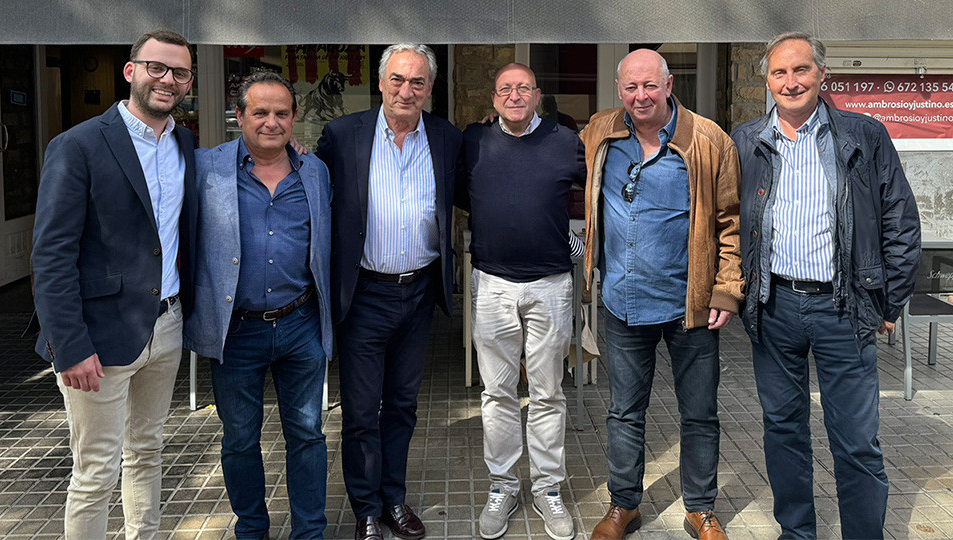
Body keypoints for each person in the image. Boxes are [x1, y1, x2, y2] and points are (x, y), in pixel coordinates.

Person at [731, 32, 921, 540]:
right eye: (779, 73)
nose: (790, 82)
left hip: (845, 307)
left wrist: (890, 301)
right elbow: (728, 223)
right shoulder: (746, 141)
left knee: (856, 441)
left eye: (801, 70)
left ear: (822, 74)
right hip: (774, 307)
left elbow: (901, 220)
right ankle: (797, 532)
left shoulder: (863, 134)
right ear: (766, 81)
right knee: (784, 431)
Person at [29, 29, 197, 539]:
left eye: (180, 72)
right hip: (97, 339)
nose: (168, 80)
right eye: (157, 67)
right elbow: (51, 254)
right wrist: (69, 345)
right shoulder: (77, 145)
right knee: (96, 470)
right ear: (131, 71)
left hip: (166, 326)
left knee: (147, 452)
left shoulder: (184, 142)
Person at [580, 49, 742, 540]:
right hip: (624, 303)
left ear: (669, 85)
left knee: (699, 413)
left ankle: (701, 509)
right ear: (619, 89)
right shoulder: (601, 132)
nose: (640, 96)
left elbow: (731, 222)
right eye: (631, 87)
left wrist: (726, 290)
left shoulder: (708, 139)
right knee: (624, 412)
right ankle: (623, 505)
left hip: (689, 305)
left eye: (650, 86)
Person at [315, 43, 462, 540]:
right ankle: (365, 508)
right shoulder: (342, 135)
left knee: (402, 405)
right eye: (397, 79)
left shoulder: (445, 137)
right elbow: (313, 191)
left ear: (430, 89)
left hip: (418, 293)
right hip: (365, 294)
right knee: (360, 411)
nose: (407, 90)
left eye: (418, 82)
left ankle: (394, 499)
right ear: (380, 83)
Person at [183, 72, 333, 540]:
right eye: (261, 113)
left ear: (295, 118)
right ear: (240, 116)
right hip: (236, 329)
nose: (272, 122)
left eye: (282, 113)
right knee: (241, 439)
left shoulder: (316, 171)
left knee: (307, 435)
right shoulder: (207, 167)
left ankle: (309, 531)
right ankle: (252, 529)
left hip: (301, 322)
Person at [457, 63, 586, 540]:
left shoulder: (564, 141)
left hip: (550, 286)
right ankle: (504, 484)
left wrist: (580, 246)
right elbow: (461, 193)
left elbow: (595, 191)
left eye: (524, 88)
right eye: (505, 89)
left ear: (537, 95)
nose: (514, 95)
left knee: (549, 392)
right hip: (491, 285)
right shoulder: (474, 140)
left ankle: (548, 488)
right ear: (494, 99)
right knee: (497, 394)